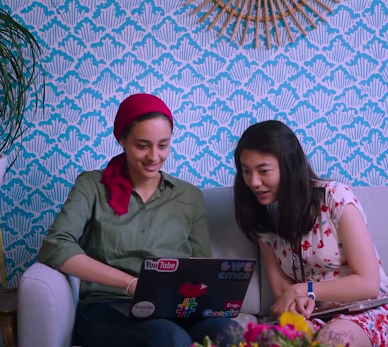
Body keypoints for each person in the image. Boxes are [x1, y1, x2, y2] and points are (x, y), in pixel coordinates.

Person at [37, 93, 242, 347]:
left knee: (232, 333)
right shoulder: (91, 186)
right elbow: (55, 245)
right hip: (109, 305)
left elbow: (201, 265)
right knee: (169, 337)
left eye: (163, 145)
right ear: (122, 139)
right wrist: (132, 283)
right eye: (142, 145)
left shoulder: (189, 196)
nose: (154, 156)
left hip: (173, 306)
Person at [232, 120, 388, 347]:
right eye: (246, 171)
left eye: (264, 171)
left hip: (367, 307)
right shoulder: (264, 215)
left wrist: (304, 290)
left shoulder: (335, 197)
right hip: (315, 314)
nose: (254, 182)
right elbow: (282, 292)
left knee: (328, 342)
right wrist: (298, 304)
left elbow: (368, 283)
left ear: (288, 166)